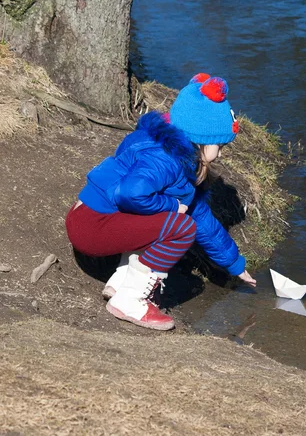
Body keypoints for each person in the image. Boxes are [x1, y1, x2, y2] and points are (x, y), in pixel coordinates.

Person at [65, 73, 257, 331]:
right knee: (179, 226)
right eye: (219, 145)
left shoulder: (173, 155)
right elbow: (129, 194)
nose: (221, 153)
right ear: (200, 135)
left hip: (91, 219)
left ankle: (121, 281)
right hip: (93, 227)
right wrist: (171, 207)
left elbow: (201, 217)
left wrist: (235, 264)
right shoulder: (164, 161)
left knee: (168, 218)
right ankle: (130, 300)